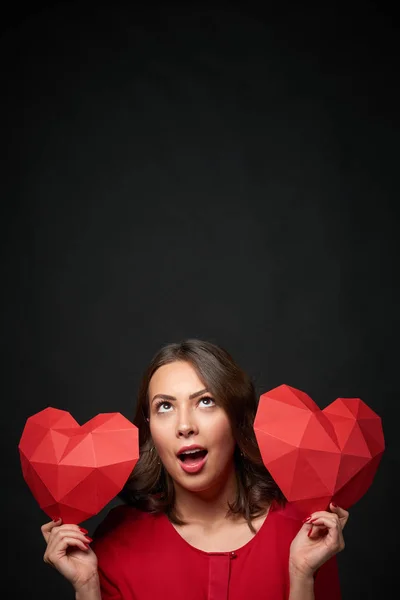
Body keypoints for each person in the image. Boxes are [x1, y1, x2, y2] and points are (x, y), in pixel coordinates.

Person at [41, 339, 349, 599]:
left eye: (205, 402)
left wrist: (301, 574)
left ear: (236, 418)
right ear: (149, 429)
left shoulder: (302, 532)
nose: (185, 426)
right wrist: (86, 588)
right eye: (165, 406)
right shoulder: (117, 541)